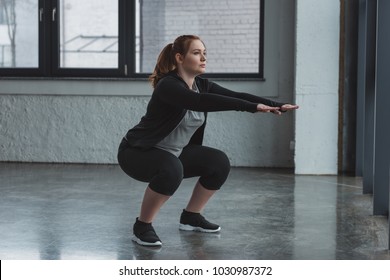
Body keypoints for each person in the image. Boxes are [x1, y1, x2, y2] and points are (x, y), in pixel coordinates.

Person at [117, 35, 299, 247]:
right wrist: (251, 108)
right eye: (196, 53)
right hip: (137, 153)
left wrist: (274, 105)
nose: (203, 58)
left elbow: (237, 94)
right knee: (171, 169)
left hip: (173, 152)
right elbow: (199, 102)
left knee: (218, 162)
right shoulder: (168, 85)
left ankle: (191, 217)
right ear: (179, 58)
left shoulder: (201, 85)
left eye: (205, 53)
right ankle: (142, 226)